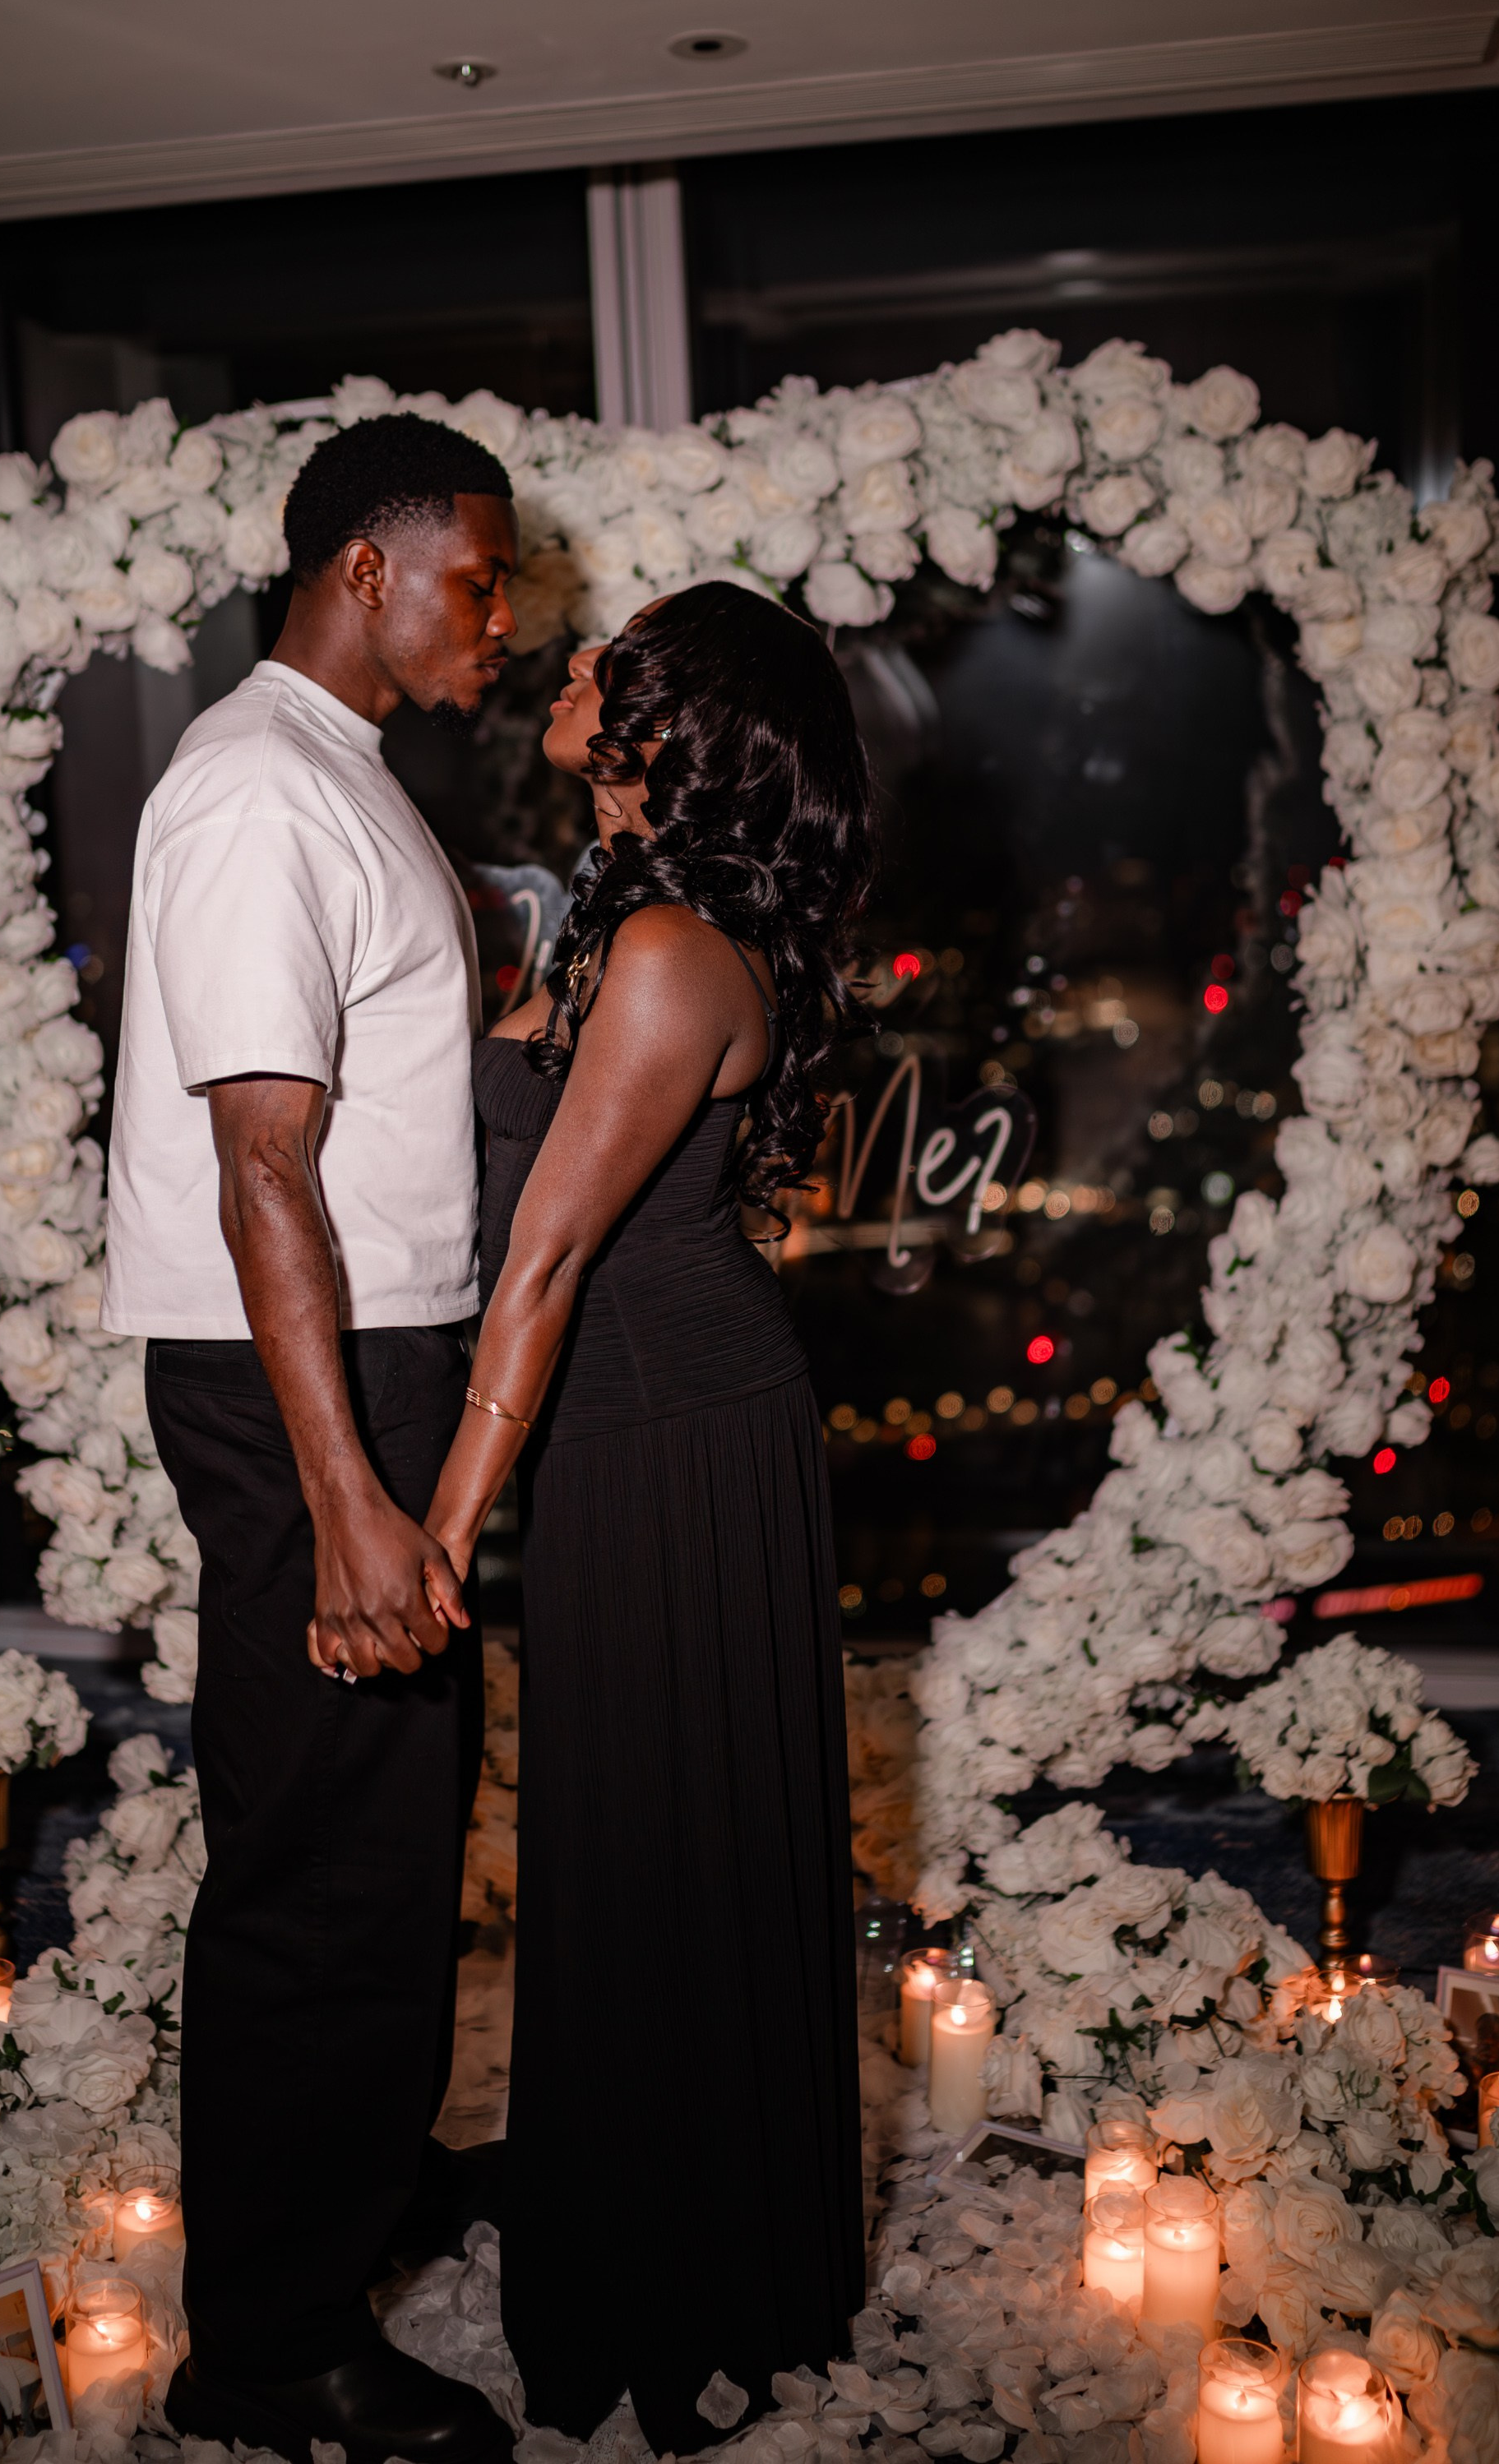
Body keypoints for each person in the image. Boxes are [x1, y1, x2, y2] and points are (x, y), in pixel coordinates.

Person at [413, 581, 873, 2452]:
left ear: (669, 733)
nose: (569, 667)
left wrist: (433, 1533)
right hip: (631, 1432)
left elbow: (540, 1256)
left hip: (680, 1438)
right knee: (625, 1834)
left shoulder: (675, 948)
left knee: (664, 1831)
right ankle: (658, 2232)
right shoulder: (616, 920)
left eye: (613, 665)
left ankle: (697, 2282)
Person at [103, 411, 518, 2464]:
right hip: (303, 1396)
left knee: (387, 1825)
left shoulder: (338, 779)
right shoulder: (255, 788)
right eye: (479, 579)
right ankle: (266, 2340)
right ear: (369, 565)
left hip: (368, 1367)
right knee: (319, 1862)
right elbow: (265, 1166)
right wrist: (349, 1487)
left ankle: (352, 2195)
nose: (501, 621)